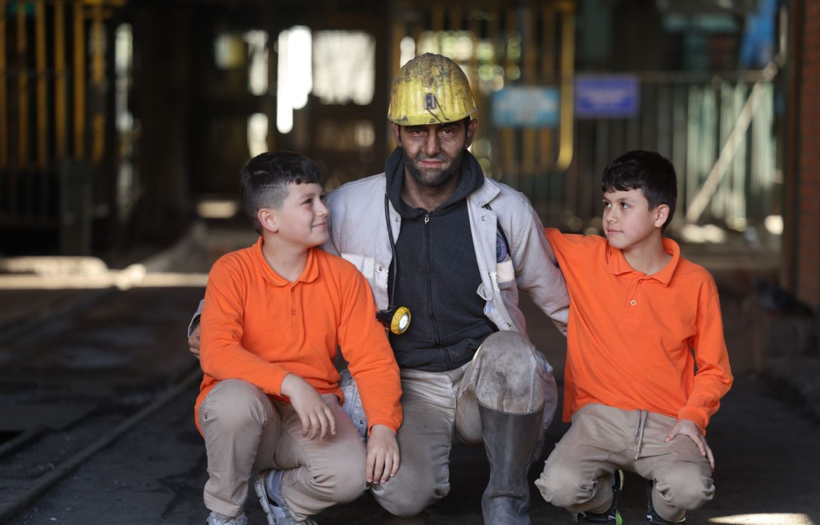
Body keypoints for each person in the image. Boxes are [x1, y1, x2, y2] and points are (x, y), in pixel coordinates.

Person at [190, 52, 569, 524]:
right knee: (401, 496)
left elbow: (561, 304)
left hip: (482, 374)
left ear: (470, 131)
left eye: (447, 130)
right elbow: (278, 246)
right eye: (417, 131)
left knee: (513, 355)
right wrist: (209, 320)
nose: (431, 146)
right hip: (408, 383)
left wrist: (618, 389)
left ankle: (507, 500)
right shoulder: (349, 206)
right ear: (397, 133)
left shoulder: (506, 210)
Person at [196, 151, 402, 525]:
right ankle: (226, 514)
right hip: (245, 419)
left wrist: (383, 427)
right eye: (308, 202)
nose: (324, 210)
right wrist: (291, 384)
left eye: (321, 198)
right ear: (269, 219)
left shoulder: (343, 278)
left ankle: (280, 492)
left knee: (351, 477)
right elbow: (216, 352)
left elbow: (372, 360)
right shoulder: (231, 271)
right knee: (232, 401)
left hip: (311, 417)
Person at [534, 150, 734, 524]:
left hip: (667, 420)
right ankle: (602, 504)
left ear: (660, 215)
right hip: (597, 416)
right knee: (558, 485)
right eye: (608, 202)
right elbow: (521, 229)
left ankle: (662, 514)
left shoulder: (696, 283)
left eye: (625, 204)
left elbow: (714, 370)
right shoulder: (585, 255)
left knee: (690, 488)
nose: (610, 215)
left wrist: (693, 418)